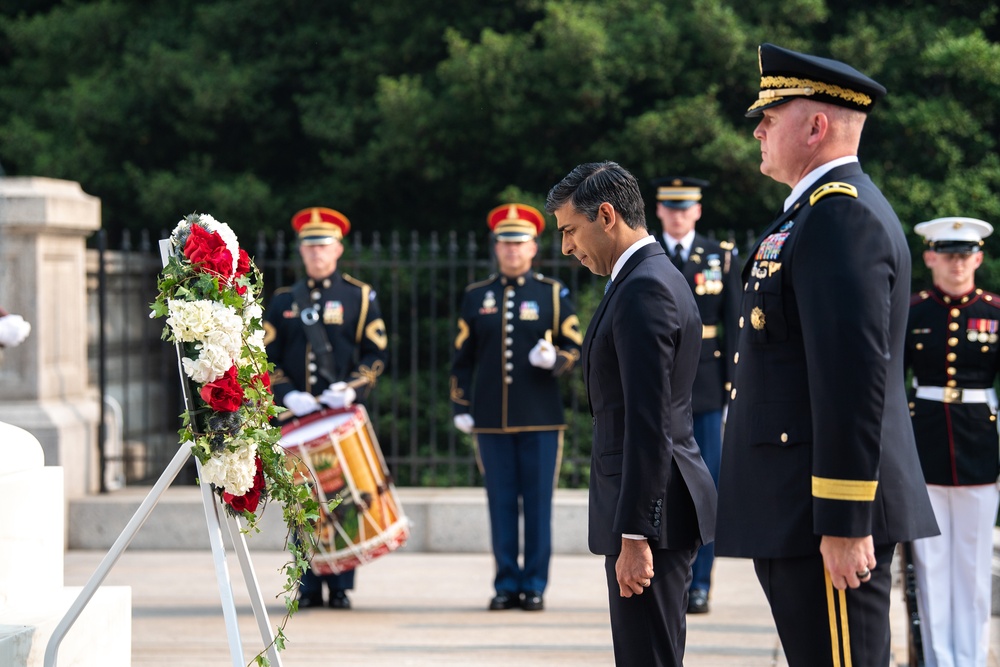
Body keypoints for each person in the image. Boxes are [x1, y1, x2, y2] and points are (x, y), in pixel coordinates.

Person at [714, 43, 939, 666]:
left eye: (771, 115)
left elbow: (851, 380)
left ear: (815, 126)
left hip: (825, 514)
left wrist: (844, 518)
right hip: (797, 506)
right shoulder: (812, 216)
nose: (757, 129)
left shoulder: (841, 218)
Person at [546, 161, 717, 666]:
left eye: (570, 231)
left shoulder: (644, 287)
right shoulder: (645, 276)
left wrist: (637, 534)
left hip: (652, 519)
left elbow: (650, 420)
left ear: (606, 215)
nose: (566, 248)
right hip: (651, 512)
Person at [450, 203, 583, 612]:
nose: (511, 250)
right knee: (501, 503)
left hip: (541, 420)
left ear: (533, 247)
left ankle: (535, 584)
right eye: (504, 243)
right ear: (496, 248)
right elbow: (462, 357)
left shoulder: (552, 294)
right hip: (489, 421)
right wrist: (461, 404)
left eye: (519, 242)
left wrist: (556, 360)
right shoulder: (476, 296)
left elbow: (576, 346)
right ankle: (506, 582)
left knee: (538, 505)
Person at [263, 206, 388, 610]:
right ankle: (307, 582)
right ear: (301, 252)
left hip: (337, 415)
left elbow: (375, 354)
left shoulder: (359, 296)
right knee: (302, 501)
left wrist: (352, 389)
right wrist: (285, 395)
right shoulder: (283, 301)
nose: (316, 253)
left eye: (324, 246)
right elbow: (265, 359)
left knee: (342, 495)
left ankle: (339, 583)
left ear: (338, 249)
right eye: (309, 247)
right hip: (298, 418)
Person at [905, 216, 999, 667]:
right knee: (931, 565)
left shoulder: (995, 313)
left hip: (981, 448)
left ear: (978, 258)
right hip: (924, 445)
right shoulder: (913, 311)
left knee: (974, 566)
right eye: (947, 254)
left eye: (964, 255)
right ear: (930, 257)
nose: (956, 264)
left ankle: (972, 657)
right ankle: (940, 659)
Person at [650, 176, 741, 614]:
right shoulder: (647, 254)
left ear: (698, 211)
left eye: (686, 207)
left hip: (706, 388)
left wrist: (733, 392)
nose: (679, 214)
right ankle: (665, 578)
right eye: (671, 207)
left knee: (705, 489)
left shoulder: (720, 257)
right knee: (659, 484)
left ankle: (700, 582)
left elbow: (736, 327)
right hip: (659, 383)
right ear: (659, 210)